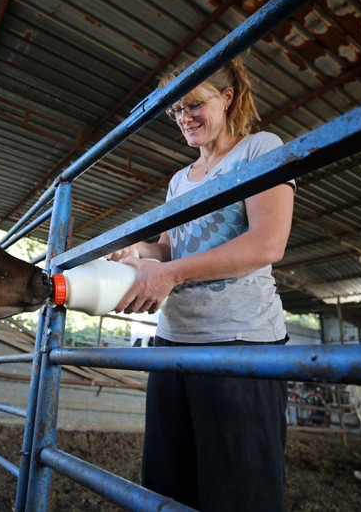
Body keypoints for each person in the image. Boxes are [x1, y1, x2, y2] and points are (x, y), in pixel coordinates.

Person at [107, 53, 295, 511]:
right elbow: (170, 250)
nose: (184, 118)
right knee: (169, 485)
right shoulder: (179, 181)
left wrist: (167, 273)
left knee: (239, 491)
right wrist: (138, 253)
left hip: (240, 342)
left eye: (194, 104)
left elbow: (267, 245)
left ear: (227, 98)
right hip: (173, 343)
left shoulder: (260, 149)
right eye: (176, 110)